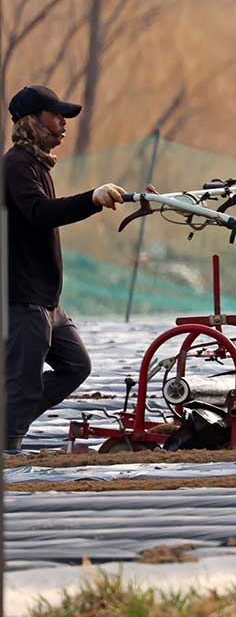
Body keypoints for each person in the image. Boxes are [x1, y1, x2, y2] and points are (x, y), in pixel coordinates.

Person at [4, 85, 125, 451]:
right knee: (23, 385)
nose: (63, 124)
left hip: (46, 299)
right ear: (32, 121)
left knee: (75, 366)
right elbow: (39, 213)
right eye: (56, 116)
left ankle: (8, 421)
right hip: (22, 295)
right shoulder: (17, 165)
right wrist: (91, 199)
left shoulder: (36, 163)